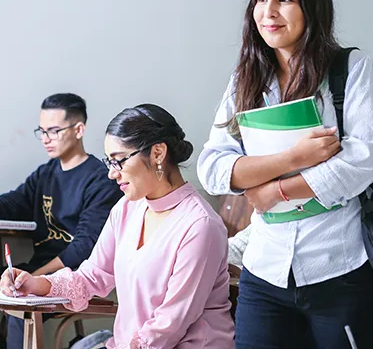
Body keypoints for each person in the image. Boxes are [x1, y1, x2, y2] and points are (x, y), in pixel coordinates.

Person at [197, 0, 373, 348]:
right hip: (265, 272)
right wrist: (294, 159)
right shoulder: (245, 80)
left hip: (340, 267)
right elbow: (213, 168)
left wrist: (273, 191)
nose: (268, 11)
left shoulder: (350, 69)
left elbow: (361, 160)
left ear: (312, 6)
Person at [1, 104, 235, 349]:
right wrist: (35, 283)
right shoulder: (126, 209)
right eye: (109, 162)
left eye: (119, 161)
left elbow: (169, 324)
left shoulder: (200, 226)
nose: (112, 174)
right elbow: (91, 276)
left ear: (157, 153)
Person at [0, 93, 122, 349]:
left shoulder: (100, 179)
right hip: (36, 270)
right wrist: (30, 275)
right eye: (42, 131)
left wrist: (35, 277)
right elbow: (13, 203)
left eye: (54, 131)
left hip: (77, 276)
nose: (46, 139)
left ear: (79, 129)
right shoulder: (46, 173)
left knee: (20, 311)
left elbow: (83, 248)